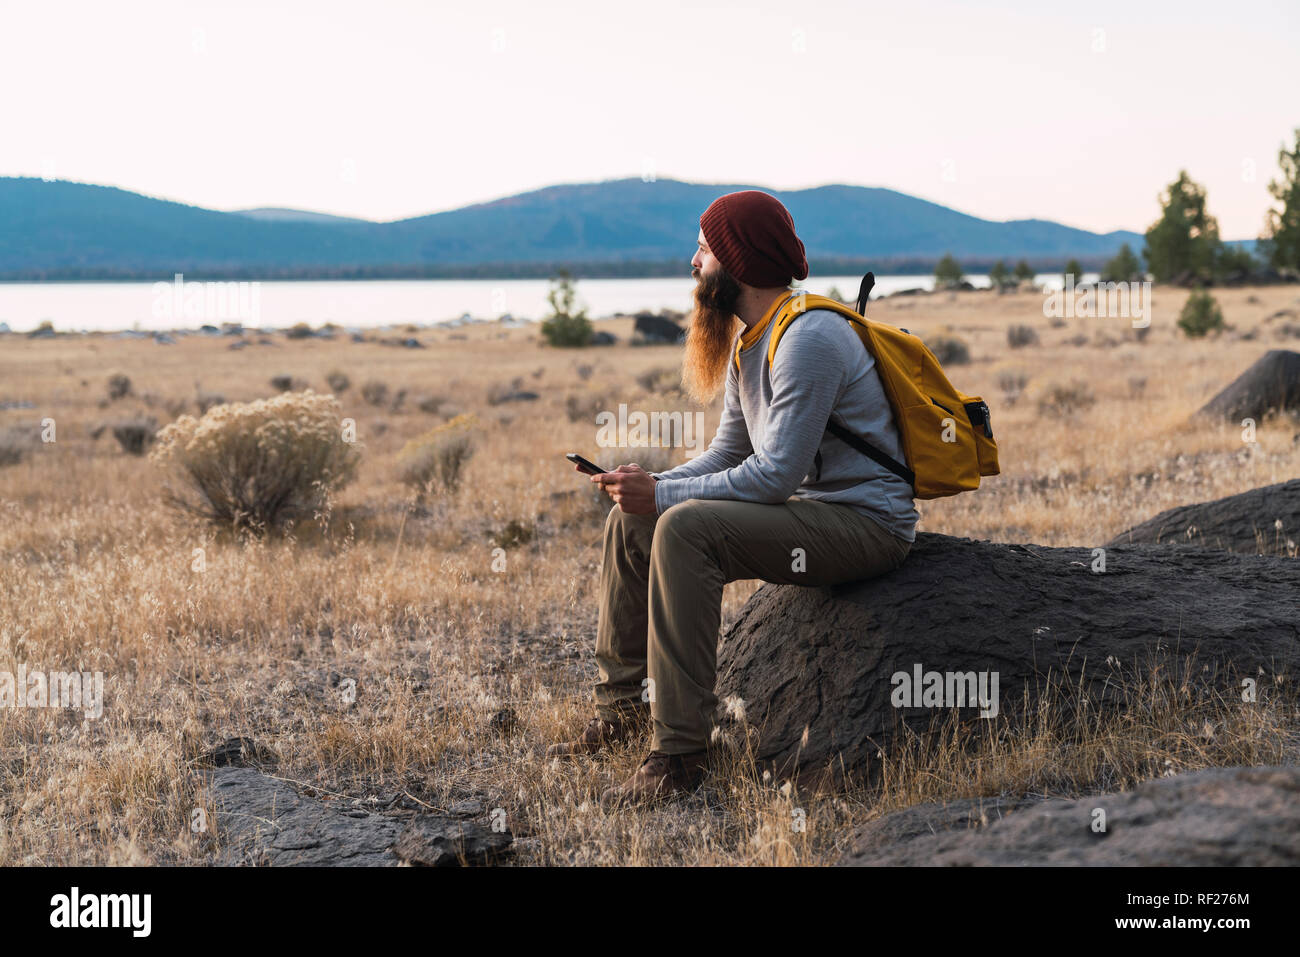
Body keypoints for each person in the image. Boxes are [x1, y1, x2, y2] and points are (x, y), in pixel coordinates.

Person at [549, 190, 919, 803]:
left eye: (703, 250)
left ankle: (679, 756)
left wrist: (666, 497)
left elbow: (773, 476)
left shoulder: (808, 337)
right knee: (633, 523)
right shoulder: (753, 339)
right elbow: (729, 455)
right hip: (813, 515)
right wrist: (648, 488)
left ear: (736, 260)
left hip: (867, 525)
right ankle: (622, 710)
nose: (693, 264)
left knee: (683, 528)